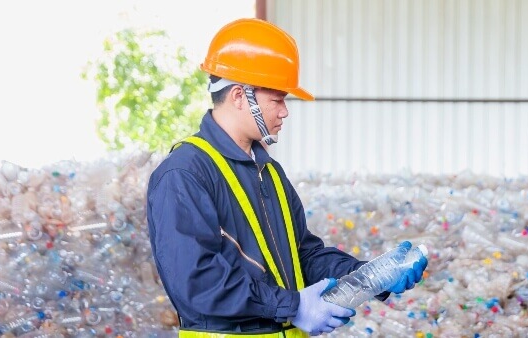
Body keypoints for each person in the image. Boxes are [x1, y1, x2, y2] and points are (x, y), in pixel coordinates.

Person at [145, 18, 428, 337]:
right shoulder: (184, 174)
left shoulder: (269, 172)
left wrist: (371, 276)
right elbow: (198, 282)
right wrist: (293, 306)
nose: (285, 111)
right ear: (239, 96)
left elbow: (303, 255)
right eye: (277, 99)